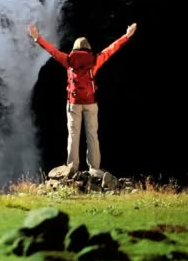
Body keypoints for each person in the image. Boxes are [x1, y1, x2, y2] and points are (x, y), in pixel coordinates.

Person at [27, 22, 137, 178]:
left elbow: (52, 51)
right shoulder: (95, 60)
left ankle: (72, 166)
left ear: (75, 48)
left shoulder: (68, 60)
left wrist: (37, 37)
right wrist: (127, 36)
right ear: (88, 48)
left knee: (73, 134)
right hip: (91, 103)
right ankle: (94, 168)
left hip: (73, 104)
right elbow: (112, 49)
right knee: (92, 135)